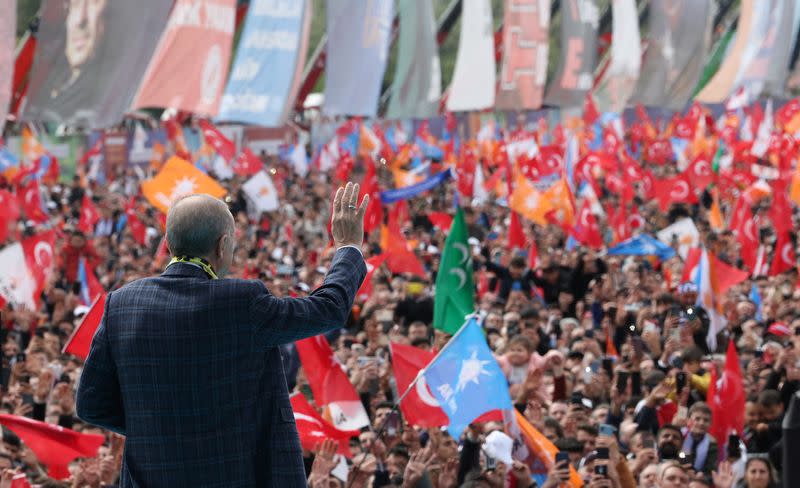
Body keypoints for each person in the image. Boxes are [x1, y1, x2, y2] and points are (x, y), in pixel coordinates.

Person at [75, 183, 369, 486]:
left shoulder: (121, 304)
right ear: (222, 244)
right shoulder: (242, 301)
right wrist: (348, 246)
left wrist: (157, 429)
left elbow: (91, 404)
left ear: (169, 243)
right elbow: (328, 309)